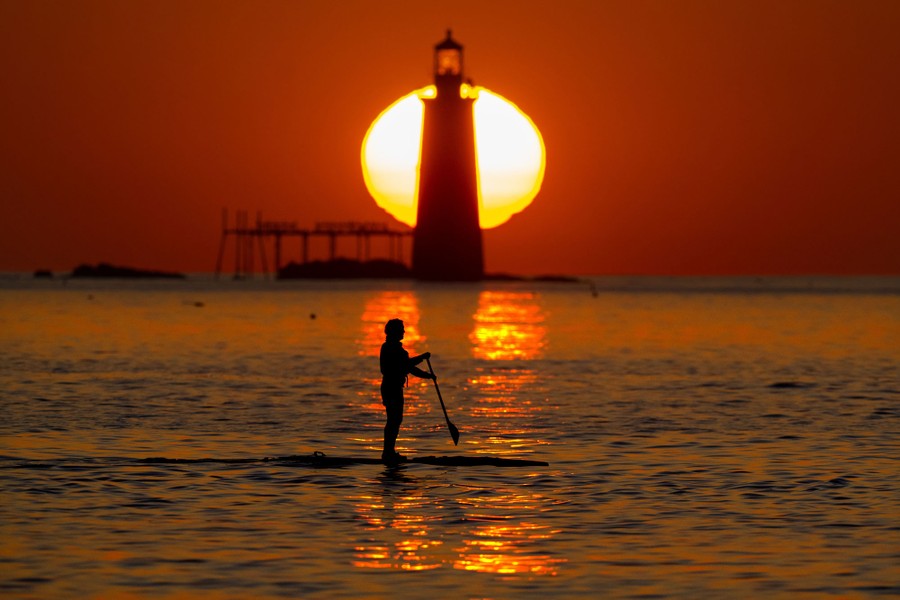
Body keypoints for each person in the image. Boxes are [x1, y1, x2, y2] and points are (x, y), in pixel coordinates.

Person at [380, 318, 434, 464]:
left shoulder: (400, 350)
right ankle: (388, 453)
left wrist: (427, 376)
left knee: (396, 420)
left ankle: (389, 452)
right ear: (394, 332)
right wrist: (422, 357)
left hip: (396, 388)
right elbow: (405, 364)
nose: (404, 331)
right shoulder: (389, 348)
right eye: (401, 329)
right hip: (390, 388)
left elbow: (409, 368)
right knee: (393, 419)